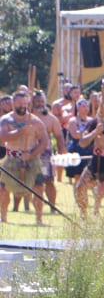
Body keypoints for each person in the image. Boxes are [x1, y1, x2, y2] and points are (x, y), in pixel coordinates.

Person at [0, 91, 48, 224]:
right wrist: (21, 131)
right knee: (3, 189)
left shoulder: (35, 121)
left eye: (24, 103)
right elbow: (3, 137)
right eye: (19, 103)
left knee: (38, 187)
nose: (22, 106)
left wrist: (31, 154)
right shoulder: (6, 120)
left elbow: (44, 142)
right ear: (13, 103)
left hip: (31, 158)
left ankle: (39, 219)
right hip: (11, 157)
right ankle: (3, 217)